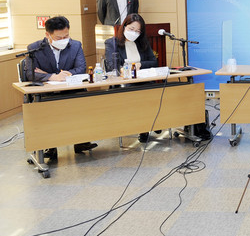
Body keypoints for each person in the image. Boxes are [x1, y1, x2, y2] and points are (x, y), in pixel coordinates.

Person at [23, 16, 96, 159]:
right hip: (47, 92)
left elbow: (81, 68)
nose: (63, 40)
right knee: (45, 107)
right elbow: (30, 74)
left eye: (66, 36)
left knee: (82, 100)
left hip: (71, 89)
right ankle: (50, 146)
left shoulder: (75, 45)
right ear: (47, 35)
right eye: (58, 38)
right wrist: (52, 76)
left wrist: (61, 74)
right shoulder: (34, 48)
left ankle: (81, 141)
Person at [105, 13, 158, 143]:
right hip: (124, 84)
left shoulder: (142, 43)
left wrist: (140, 64)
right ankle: (145, 126)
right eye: (131, 29)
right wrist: (125, 69)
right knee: (138, 95)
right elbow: (112, 65)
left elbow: (154, 61)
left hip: (143, 81)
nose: (134, 33)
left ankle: (152, 123)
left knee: (155, 92)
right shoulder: (112, 43)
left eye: (138, 31)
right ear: (124, 27)